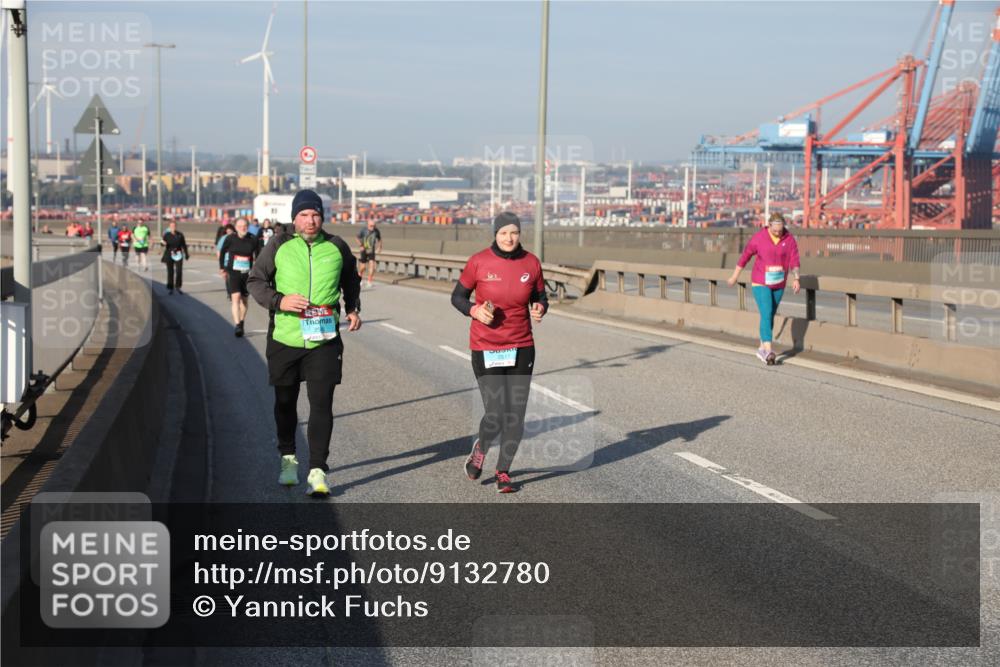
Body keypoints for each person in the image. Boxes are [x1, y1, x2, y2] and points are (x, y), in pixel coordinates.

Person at [248, 190, 362, 496]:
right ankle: (288, 458)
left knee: (321, 403)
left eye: (315, 215)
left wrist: (353, 307)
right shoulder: (279, 244)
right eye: (303, 215)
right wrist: (280, 300)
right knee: (285, 403)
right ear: (294, 218)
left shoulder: (337, 247)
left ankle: (317, 470)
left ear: (322, 217)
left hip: (324, 339)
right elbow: (255, 281)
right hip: (285, 337)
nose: (310, 221)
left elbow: (351, 279)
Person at [451, 211, 547, 493]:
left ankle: (503, 471)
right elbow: (457, 297)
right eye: (504, 232)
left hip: (522, 346)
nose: (509, 238)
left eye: (514, 233)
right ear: (495, 234)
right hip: (486, 346)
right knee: (496, 412)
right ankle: (481, 448)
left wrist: (540, 307)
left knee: (515, 414)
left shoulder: (531, 263)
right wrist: (474, 310)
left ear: (520, 234)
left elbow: (540, 295)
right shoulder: (479, 261)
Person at [727, 212, 801, 365]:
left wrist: (796, 278)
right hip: (760, 281)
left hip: (779, 282)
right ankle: (768, 350)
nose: (778, 233)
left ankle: (761, 348)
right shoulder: (759, 238)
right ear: (769, 226)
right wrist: (734, 276)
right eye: (775, 230)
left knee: (770, 315)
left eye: (781, 230)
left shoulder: (789, 239)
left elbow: (794, 260)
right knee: (766, 312)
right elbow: (745, 257)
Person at [218, 218, 260, 337]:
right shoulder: (230, 238)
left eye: (245, 225)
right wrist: (222, 267)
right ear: (236, 227)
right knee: (235, 297)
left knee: (244, 300)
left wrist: (258, 270)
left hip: (247, 273)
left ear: (248, 226)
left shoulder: (253, 239)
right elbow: (222, 252)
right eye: (240, 226)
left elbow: (259, 256)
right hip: (233, 272)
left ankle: (241, 321)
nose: (243, 228)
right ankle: (237, 325)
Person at [161, 221, 190, 295]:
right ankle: (170, 288)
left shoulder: (180, 235)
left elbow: (184, 245)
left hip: (178, 254)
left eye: (174, 226)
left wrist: (186, 254)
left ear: (176, 226)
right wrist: (163, 243)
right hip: (169, 254)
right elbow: (162, 243)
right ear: (169, 227)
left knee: (179, 271)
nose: (173, 227)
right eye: (171, 226)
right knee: (170, 272)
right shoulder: (166, 235)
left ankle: (178, 287)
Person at [356, 219, 382, 288]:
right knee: (363, 267)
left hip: (371, 251)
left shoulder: (376, 231)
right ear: (368, 225)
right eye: (371, 226)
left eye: (374, 226)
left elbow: (379, 239)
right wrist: (361, 246)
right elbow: (357, 238)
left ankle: (369, 281)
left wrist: (379, 247)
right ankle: (359, 276)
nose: (372, 227)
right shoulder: (363, 230)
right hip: (364, 250)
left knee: (372, 266)